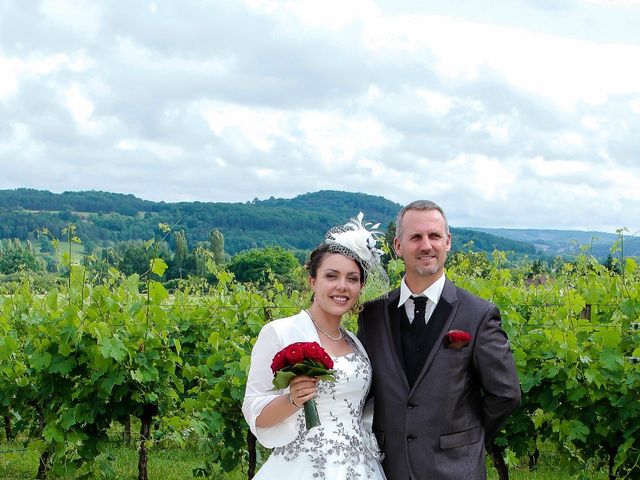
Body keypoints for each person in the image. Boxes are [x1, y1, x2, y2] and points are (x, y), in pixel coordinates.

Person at [357, 200, 521, 480]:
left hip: (456, 468)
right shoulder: (372, 315)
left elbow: (505, 393)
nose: (426, 245)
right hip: (389, 468)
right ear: (398, 246)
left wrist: (465, 435)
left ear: (448, 243)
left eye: (434, 236)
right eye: (415, 237)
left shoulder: (478, 314)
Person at [243, 213, 387, 479]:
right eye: (331, 276)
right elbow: (254, 410)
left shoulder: (355, 341)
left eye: (352, 279)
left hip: (360, 466)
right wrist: (292, 400)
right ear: (313, 281)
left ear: (361, 286)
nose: (342, 286)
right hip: (303, 465)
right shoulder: (280, 332)